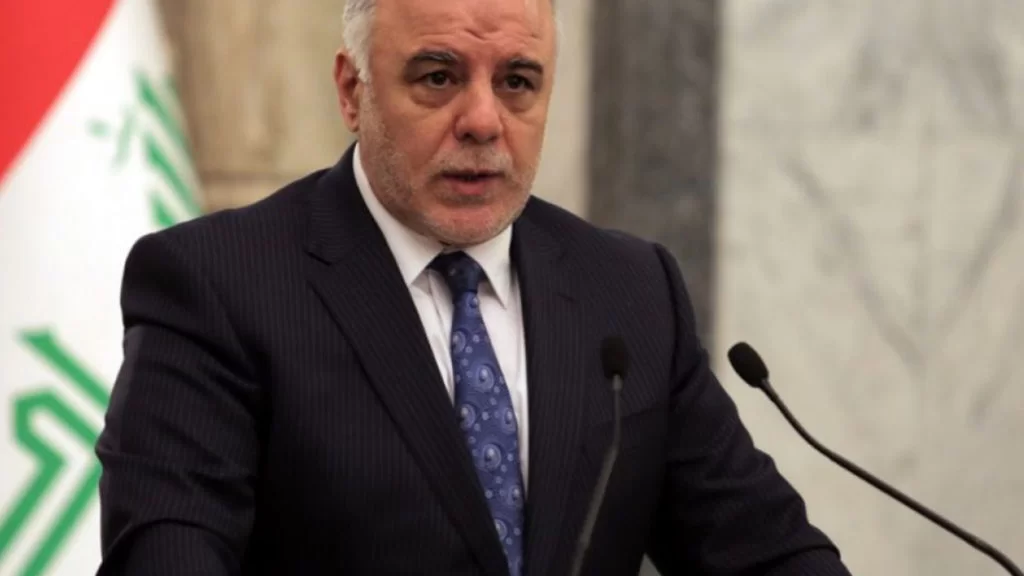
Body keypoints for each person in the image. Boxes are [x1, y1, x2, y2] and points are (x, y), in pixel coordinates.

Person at [95, 0, 853, 574]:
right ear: (353, 91)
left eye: (517, 82)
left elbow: (763, 550)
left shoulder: (630, 290)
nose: (484, 121)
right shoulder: (218, 285)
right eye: (438, 77)